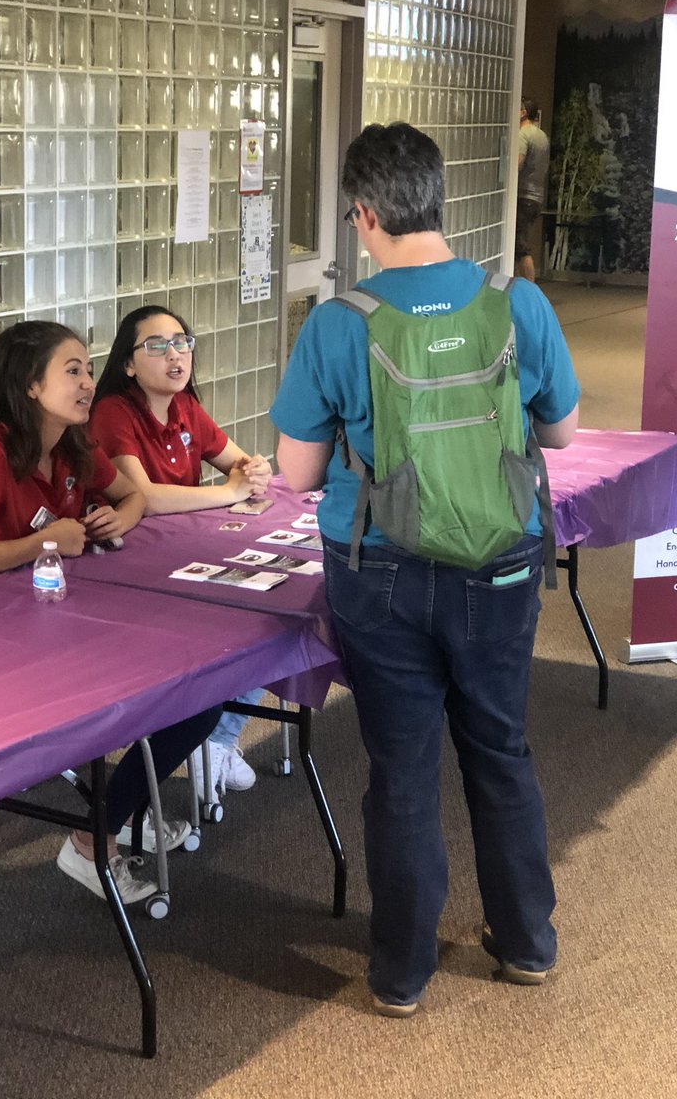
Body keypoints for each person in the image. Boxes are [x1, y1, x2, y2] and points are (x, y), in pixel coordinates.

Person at [270, 122, 580, 1017]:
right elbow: (557, 432)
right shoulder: (517, 304)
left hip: (383, 568)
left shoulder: (338, 323)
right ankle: (525, 942)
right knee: (500, 745)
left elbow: (293, 475)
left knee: (401, 767)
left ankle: (401, 974)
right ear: (438, 198)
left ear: (363, 214)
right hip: (505, 561)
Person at [0, 319, 221, 904]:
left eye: (90, 370)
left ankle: (117, 817)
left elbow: (131, 493)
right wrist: (52, 540)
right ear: (31, 386)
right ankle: (95, 840)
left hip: (61, 616)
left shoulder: (71, 443)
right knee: (161, 692)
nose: (88, 383)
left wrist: (123, 517)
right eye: (73, 371)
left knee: (201, 692)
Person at [90, 305, 273, 801]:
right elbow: (142, 497)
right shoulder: (114, 412)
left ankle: (218, 738)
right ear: (128, 364)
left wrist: (252, 472)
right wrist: (230, 493)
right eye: (157, 345)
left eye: (182, 341)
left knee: (278, 613)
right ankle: (204, 734)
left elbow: (240, 462)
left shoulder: (185, 407)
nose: (175, 354)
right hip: (132, 571)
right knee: (246, 621)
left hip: (187, 556)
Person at [515, 96, 551, 282]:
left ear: (523, 113)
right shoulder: (542, 135)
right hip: (537, 195)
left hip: (523, 195)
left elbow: (517, 164)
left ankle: (530, 290)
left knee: (519, 246)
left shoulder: (522, 134)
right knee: (519, 245)